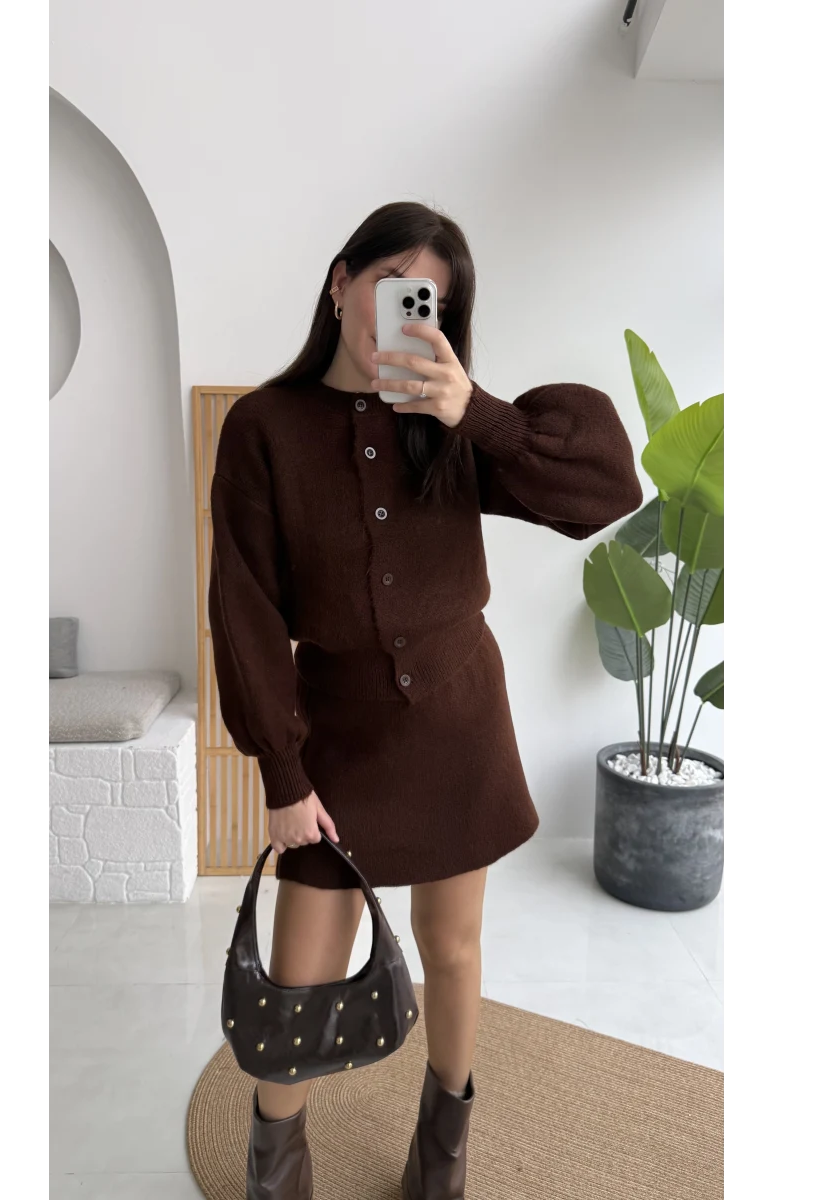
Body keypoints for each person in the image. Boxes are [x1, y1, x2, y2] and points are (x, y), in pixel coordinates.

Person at [208, 200, 643, 1200]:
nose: (408, 311)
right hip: (336, 738)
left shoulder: (452, 424)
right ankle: (276, 1163)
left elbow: (606, 486)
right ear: (340, 284)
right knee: (299, 979)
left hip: (458, 723)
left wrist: (475, 411)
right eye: (393, 285)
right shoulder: (262, 428)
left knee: (451, 948)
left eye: (431, 301)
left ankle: (440, 1158)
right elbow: (243, 608)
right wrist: (282, 773)